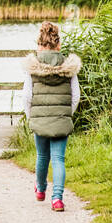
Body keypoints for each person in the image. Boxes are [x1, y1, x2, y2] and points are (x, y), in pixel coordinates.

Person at [21, 21, 81, 211]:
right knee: (58, 159)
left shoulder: (33, 66)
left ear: (40, 44)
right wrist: (66, 114)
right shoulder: (69, 66)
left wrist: (32, 116)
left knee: (42, 156)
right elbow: (76, 96)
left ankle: (40, 189)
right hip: (62, 119)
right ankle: (57, 199)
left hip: (40, 118)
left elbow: (27, 96)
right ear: (58, 44)